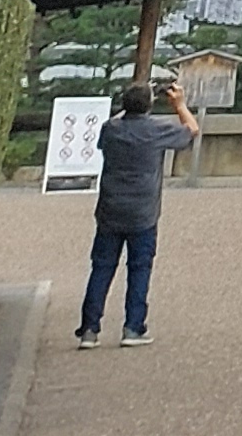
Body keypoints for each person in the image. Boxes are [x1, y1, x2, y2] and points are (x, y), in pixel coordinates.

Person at [75, 79, 201, 345]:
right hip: (143, 211)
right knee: (139, 268)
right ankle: (133, 328)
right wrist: (179, 104)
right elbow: (192, 129)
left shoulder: (111, 129)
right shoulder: (156, 131)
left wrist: (134, 100)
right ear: (150, 107)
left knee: (101, 268)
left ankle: (89, 329)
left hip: (110, 209)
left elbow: (113, 125)